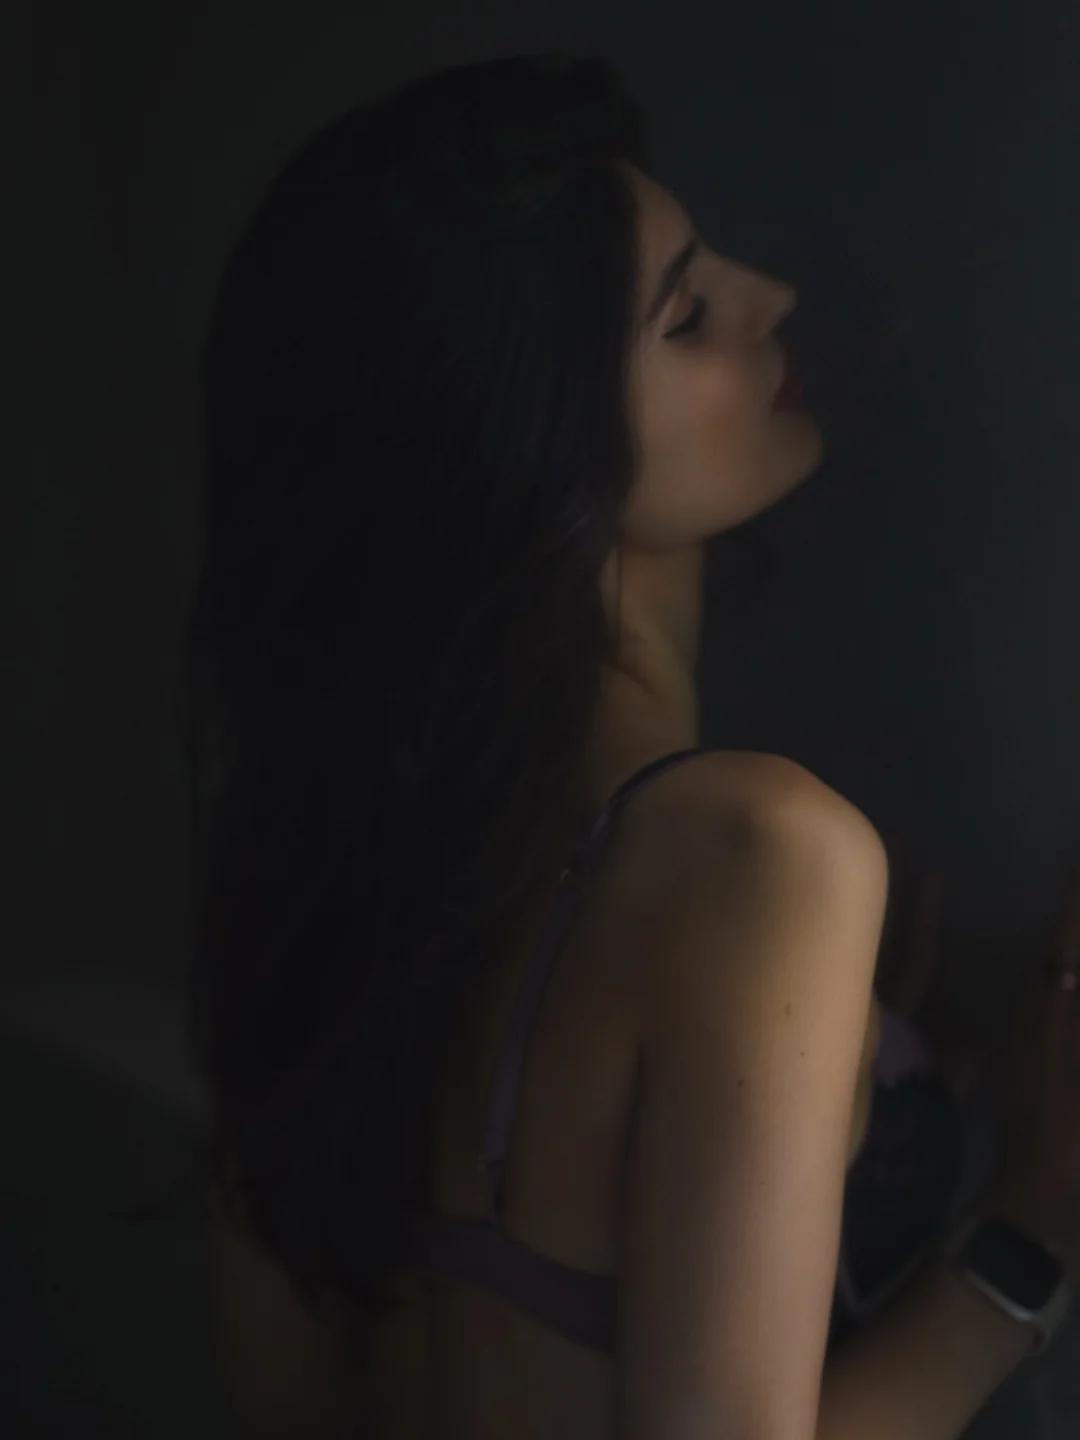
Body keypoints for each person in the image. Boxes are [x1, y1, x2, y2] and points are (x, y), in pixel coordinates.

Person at [185, 54, 1079, 1439]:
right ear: (526, 440)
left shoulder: (349, 904)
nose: (772, 301)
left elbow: (295, 1404)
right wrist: (1035, 1233)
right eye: (688, 316)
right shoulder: (759, 851)